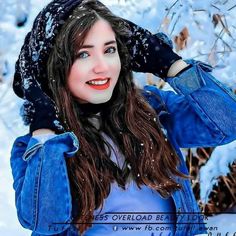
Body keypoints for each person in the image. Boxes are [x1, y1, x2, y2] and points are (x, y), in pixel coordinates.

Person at [10, 0, 236, 235]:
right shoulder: (37, 150)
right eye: (83, 54)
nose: (102, 67)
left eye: (109, 50)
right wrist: (45, 125)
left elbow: (227, 123)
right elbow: (43, 220)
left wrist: (170, 65)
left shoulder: (151, 111)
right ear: (54, 66)